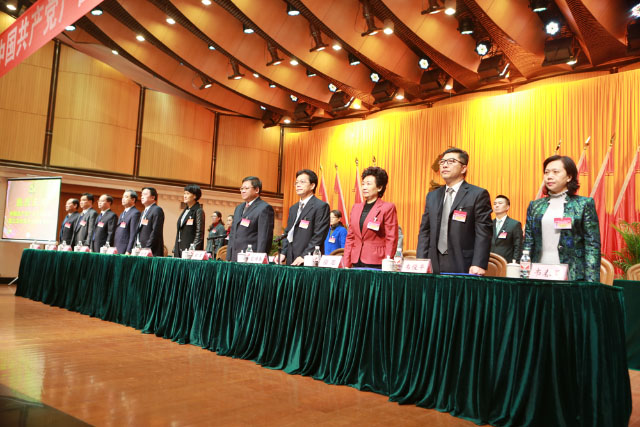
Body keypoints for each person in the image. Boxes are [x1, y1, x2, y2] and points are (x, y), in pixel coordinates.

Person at [523, 155, 600, 282]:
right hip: (539, 273)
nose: (549, 176)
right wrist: (524, 274)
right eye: (546, 172)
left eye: (555, 172)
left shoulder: (583, 204)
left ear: (569, 177)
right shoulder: (535, 206)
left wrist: (591, 283)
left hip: (572, 276)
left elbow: (592, 245)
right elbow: (528, 242)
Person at [416, 147, 492, 275]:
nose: (444, 165)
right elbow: (425, 231)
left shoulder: (477, 194)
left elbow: (483, 232)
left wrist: (478, 263)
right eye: (442, 162)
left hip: (463, 262)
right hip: (433, 262)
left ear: (463, 168)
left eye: (451, 161)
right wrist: (421, 260)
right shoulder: (432, 196)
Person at [343, 167, 398, 269]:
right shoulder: (355, 208)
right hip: (355, 261)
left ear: (379, 187)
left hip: (376, 262)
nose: (364, 187)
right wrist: (346, 263)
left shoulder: (387, 208)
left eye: (368, 184)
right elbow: (350, 237)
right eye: (363, 184)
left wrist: (388, 262)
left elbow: (391, 238)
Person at [280, 169, 330, 265]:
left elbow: (319, 236)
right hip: (291, 257)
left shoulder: (321, 206)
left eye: (302, 182)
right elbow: (288, 232)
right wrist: (283, 252)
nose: (298, 185)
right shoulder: (293, 208)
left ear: (312, 185)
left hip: (309, 259)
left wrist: (304, 256)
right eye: (296, 183)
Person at [226, 176, 274, 261]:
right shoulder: (239, 208)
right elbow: (233, 234)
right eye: (241, 188)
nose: (243, 191)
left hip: (251, 258)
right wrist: (228, 257)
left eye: (246, 188)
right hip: (235, 257)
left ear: (256, 190)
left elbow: (264, 238)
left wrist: (259, 260)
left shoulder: (264, 208)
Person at [173, 184, 205, 258]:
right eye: (184, 193)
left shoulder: (198, 210)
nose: (185, 196)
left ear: (195, 196)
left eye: (187, 193)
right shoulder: (186, 210)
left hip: (189, 251)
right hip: (179, 248)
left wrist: (193, 249)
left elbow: (199, 233)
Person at [490, 195, 523, 263]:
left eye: (500, 203)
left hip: (507, 262)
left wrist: (515, 263)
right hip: (490, 262)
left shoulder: (514, 224)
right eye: (495, 204)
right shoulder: (489, 224)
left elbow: (518, 246)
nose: (497, 205)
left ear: (507, 207)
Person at [136, 187, 165, 257]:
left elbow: (156, 231)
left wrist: (147, 248)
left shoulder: (157, 210)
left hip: (151, 250)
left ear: (152, 197)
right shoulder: (144, 212)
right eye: (141, 195)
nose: (142, 197)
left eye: (145, 194)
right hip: (141, 248)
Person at [114, 189, 141, 255]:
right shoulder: (122, 213)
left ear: (133, 200)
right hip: (117, 246)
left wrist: (129, 250)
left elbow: (133, 234)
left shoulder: (135, 213)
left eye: (126, 197)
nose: (123, 199)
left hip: (125, 248)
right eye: (123, 197)